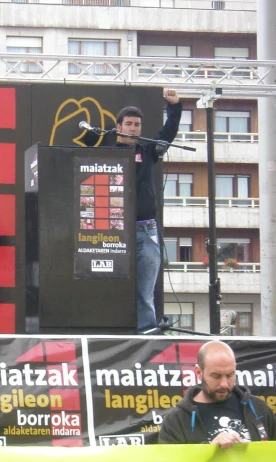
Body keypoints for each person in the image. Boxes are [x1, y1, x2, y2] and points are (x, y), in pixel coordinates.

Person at [115, 89, 182, 332]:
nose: (133, 128)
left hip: (145, 230)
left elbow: (168, 133)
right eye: (129, 124)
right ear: (118, 126)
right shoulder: (107, 153)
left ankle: (147, 335)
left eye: (137, 125)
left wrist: (175, 107)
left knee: (145, 290)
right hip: (114, 233)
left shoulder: (148, 150)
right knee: (112, 287)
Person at [158, 340, 276, 446]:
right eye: (216, 376)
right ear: (199, 372)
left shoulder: (259, 409)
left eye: (230, 375)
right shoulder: (177, 420)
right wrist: (210, 448)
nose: (224, 384)